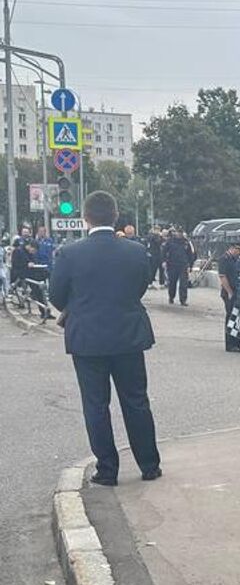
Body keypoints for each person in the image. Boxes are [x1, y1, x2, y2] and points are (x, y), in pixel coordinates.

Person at [48, 191, 160, 487]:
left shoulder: (69, 253)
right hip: (128, 337)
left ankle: (107, 470)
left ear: (85, 218)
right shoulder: (135, 251)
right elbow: (140, 286)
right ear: (115, 216)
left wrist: (81, 307)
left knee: (96, 405)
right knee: (136, 401)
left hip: (87, 340)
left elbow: (56, 297)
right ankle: (149, 465)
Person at [217, 237, 240, 352]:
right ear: (233, 248)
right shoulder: (224, 259)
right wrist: (229, 292)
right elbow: (223, 277)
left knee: (236, 317)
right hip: (229, 292)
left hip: (235, 291)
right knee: (230, 318)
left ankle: (237, 340)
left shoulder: (234, 259)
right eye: (239, 250)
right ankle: (230, 343)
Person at [163, 228, 195, 306]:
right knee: (172, 282)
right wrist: (164, 261)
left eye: (180, 232)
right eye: (178, 232)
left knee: (183, 283)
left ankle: (183, 300)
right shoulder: (170, 241)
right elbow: (164, 251)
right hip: (172, 264)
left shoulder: (186, 242)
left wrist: (190, 265)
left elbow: (190, 254)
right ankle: (171, 297)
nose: (179, 234)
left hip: (183, 265)